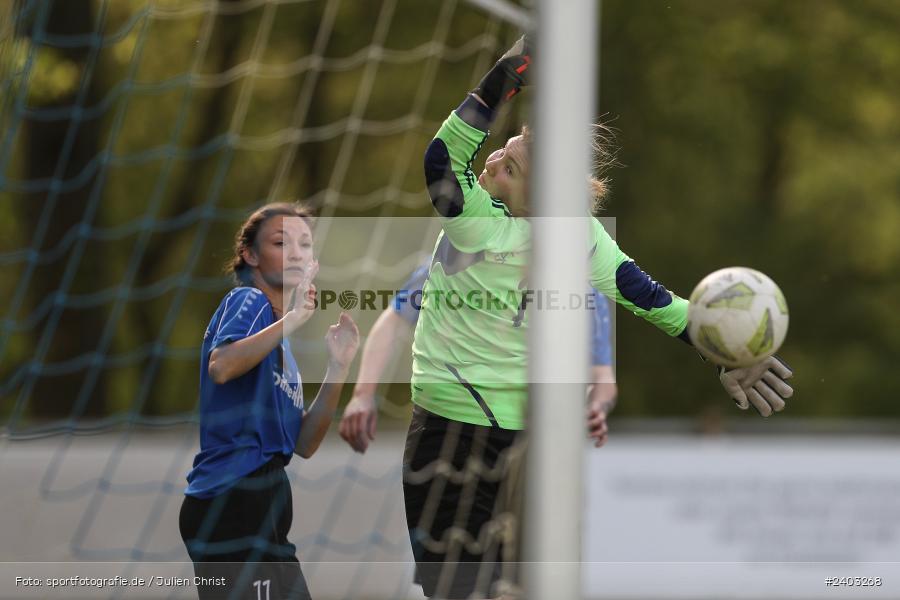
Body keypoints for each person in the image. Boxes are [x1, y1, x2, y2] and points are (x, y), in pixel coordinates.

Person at [403, 36, 795, 599]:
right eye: (503, 146)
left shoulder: (475, 218)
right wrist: (722, 347)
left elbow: (442, 158)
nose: (491, 157)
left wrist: (505, 76)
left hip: (448, 437)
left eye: (509, 164)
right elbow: (660, 304)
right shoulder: (580, 238)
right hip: (524, 441)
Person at [178, 203, 360, 600]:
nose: (297, 252)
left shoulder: (282, 347)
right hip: (232, 502)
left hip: (267, 509)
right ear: (251, 255)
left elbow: (304, 443)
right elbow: (221, 366)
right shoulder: (248, 302)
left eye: (305, 244)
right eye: (281, 242)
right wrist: (292, 318)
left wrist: (338, 367)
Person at [339, 261, 618, 453]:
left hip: (543, 443)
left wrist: (596, 406)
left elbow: (602, 376)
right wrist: (363, 394)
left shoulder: (585, 290)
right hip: (450, 430)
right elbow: (394, 321)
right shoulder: (458, 256)